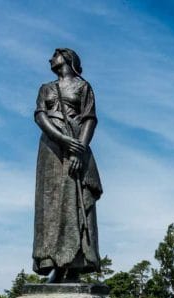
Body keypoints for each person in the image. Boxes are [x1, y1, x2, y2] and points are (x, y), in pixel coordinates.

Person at [32, 48, 103, 283]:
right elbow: (40, 116)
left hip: (76, 147)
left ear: (67, 59)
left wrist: (78, 151)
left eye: (55, 55)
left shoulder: (83, 87)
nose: (50, 59)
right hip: (51, 149)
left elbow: (89, 119)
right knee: (50, 205)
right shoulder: (46, 88)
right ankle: (51, 262)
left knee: (75, 202)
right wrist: (62, 140)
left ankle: (75, 264)